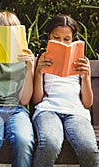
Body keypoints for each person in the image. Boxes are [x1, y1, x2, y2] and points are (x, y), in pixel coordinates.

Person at [32, 14, 99, 167]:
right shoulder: (41, 60)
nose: (61, 42)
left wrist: (86, 77)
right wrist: (38, 73)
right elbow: (37, 100)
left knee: (89, 149)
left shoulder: (81, 61)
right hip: (48, 110)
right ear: (49, 36)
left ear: (73, 39)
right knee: (50, 144)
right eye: (56, 38)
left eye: (66, 39)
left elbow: (87, 103)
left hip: (75, 112)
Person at [0, 11, 35, 167]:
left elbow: (24, 100)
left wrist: (30, 69)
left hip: (17, 109)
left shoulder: (24, 58)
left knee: (24, 141)